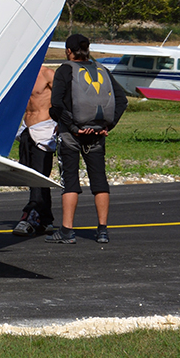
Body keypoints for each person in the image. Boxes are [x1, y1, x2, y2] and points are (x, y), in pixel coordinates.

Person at [45, 34, 128, 245]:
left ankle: (67, 231)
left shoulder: (65, 70)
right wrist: (107, 126)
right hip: (98, 134)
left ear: (68, 51)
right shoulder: (102, 69)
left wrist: (73, 127)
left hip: (72, 135)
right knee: (99, 180)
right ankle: (102, 231)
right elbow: (122, 99)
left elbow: (56, 106)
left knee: (70, 182)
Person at [13, 64, 57, 235]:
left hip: (44, 131)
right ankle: (46, 220)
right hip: (26, 130)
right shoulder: (22, 74)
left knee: (39, 176)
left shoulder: (47, 74)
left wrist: (60, 124)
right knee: (31, 176)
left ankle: (32, 215)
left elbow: (65, 99)